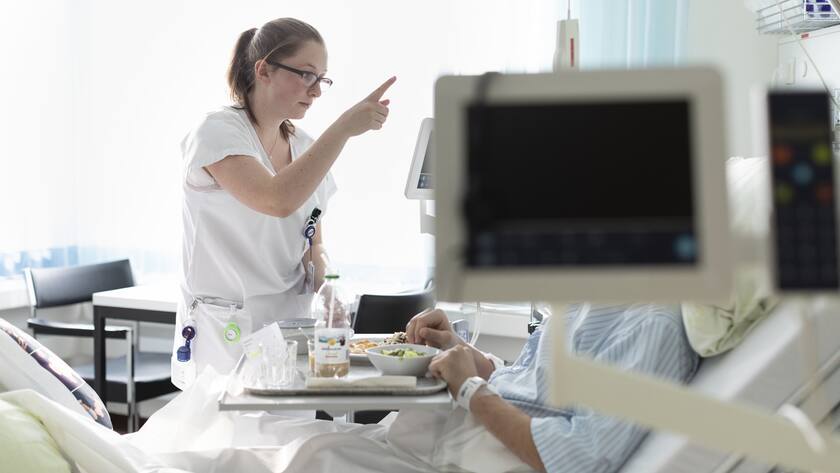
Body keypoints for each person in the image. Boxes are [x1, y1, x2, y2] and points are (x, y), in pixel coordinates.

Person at [171, 17, 396, 387]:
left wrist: (329, 286)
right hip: (226, 327)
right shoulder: (217, 133)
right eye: (306, 75)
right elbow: (277, 200)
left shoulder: (306, 148)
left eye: (322, 79)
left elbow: (314, 240)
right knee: (228, 438)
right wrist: (343, 128)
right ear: (264, 70)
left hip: (291, 327)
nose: (317, 91)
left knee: (291, 438)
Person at [406, 303, 700, 473]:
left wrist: (470, 389)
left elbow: (580, 456)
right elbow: (529, 385)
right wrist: (459, 350)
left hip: (467, 460)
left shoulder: (652, 326)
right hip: (442, 440)